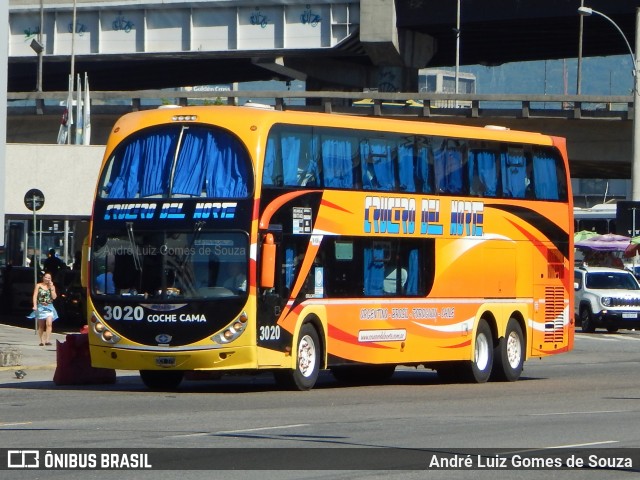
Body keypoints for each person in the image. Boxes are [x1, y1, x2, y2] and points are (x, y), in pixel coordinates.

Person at [30, 272, 58, 346]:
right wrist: (35, 305)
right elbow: (35, 296)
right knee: (41, 325)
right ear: (43, 277)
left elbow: (54, 297)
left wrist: (52, 288)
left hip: (49, 307)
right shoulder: (38, 285)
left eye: (49, 278)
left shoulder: (52, 287)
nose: (47, 279)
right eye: (46, 277)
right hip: (41, 307)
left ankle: (47, 340)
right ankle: (42, 340)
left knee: (49, 324)